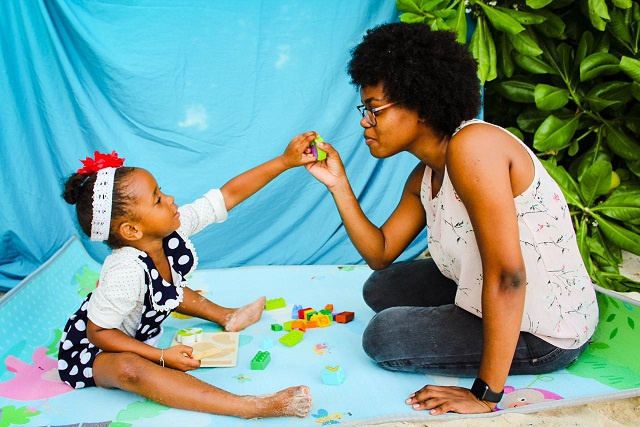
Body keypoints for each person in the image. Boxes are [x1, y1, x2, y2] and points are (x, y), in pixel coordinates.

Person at [306, 22, 598, 415]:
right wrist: (339, 184)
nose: (364, 122)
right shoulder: (424, 176)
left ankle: (495, 361)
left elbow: (509, 275)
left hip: (545, 331)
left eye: (374, 110)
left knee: (383, 336)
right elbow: (380, 252)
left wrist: (485, 394)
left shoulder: (474, 147)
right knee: (381, 288)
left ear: (422, 105)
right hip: (492, 292)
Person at [58, 132, 318, 419]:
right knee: (130, 369)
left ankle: (227, 316)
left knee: (172, 288)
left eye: (162, 190)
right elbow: (98, 332)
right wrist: (160, 356)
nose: (169, 199)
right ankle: (246, 406)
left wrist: (284, 161)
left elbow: (227, 196)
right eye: (157, 199)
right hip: (93, 350)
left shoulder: (171, 230)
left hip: (136, 329)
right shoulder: (125, 272)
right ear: (132, 231)